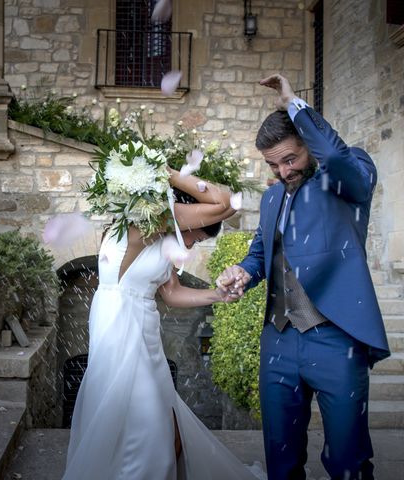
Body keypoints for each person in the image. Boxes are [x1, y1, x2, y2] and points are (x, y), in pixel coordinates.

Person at [216, 73, 390, 480]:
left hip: (335, 339)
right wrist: (243, 270)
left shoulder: (348, 178)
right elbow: (262, 253)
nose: (282, 171)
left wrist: (295, 103)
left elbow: (334, 154)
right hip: (278, 341)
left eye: (290, 159)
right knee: (281, 462)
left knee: (348, 463)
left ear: (308, 147)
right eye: (272, 164)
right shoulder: (273, 194)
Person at [63, 171, 260, 480]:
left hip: (142, 327)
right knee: (148, 423)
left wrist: (218, 296)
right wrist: (166, 173)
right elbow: (225, 202)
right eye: (199, 237)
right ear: (191, 217)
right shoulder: (152, 221)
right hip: (121, 327)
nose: (193, 245)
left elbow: (170, 292)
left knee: (158, 420)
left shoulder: (159, 235)